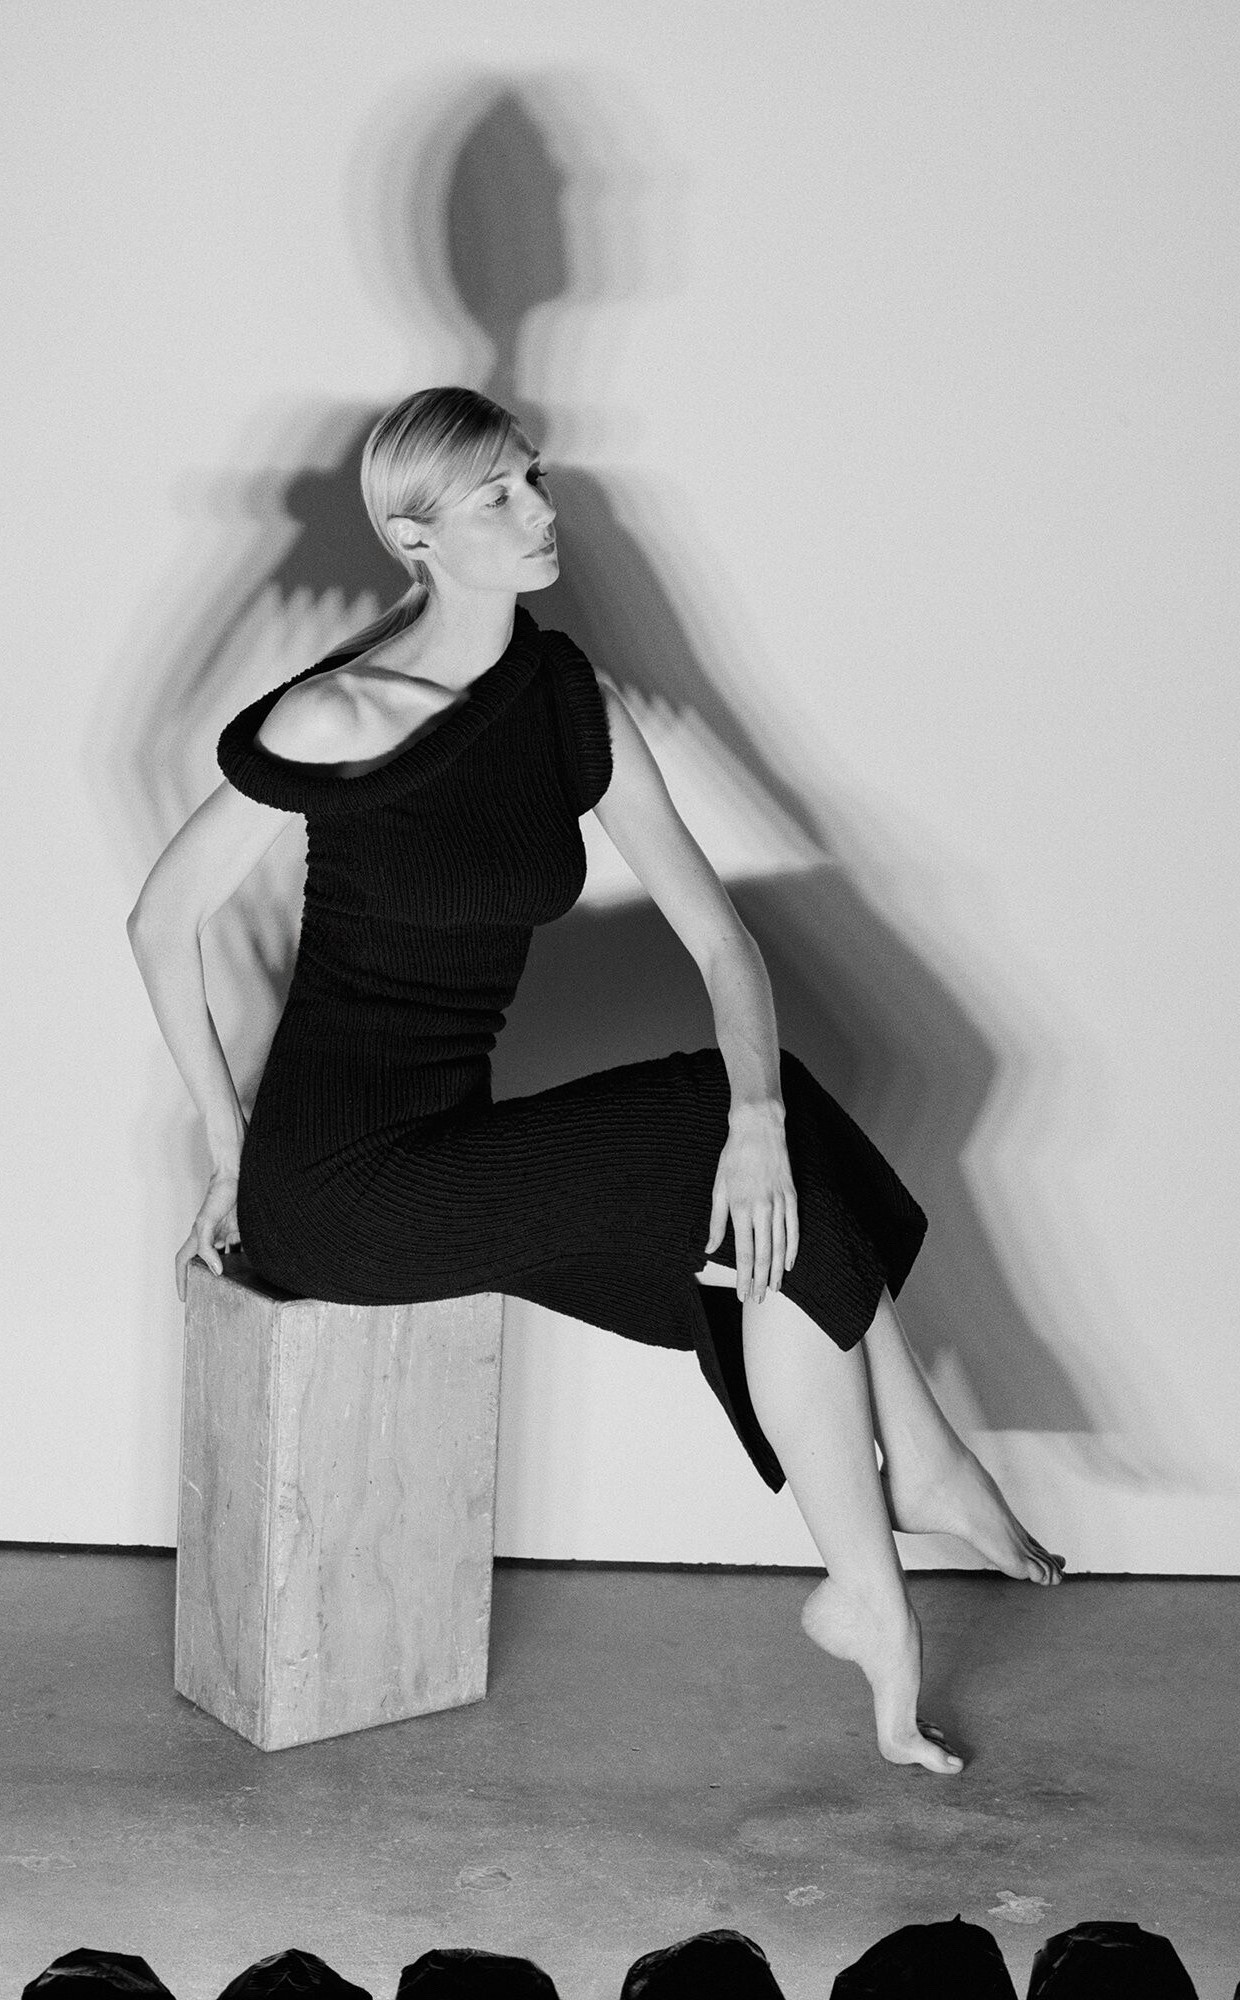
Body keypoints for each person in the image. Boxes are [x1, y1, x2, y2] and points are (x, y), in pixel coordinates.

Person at [128, 386, 1064, 1775]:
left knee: (772, 1145)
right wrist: (227, 1148)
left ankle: (885, 1552)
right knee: (733, 1134)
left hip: (452, 1150)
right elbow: (162, 922)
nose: (539, 511)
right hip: (338, 1195)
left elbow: (721, 940)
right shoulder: (340, 716)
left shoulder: (570, 705)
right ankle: (904, 1498)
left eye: (536, 478)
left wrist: (757, 1119)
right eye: (497, 494)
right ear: (413, 535)